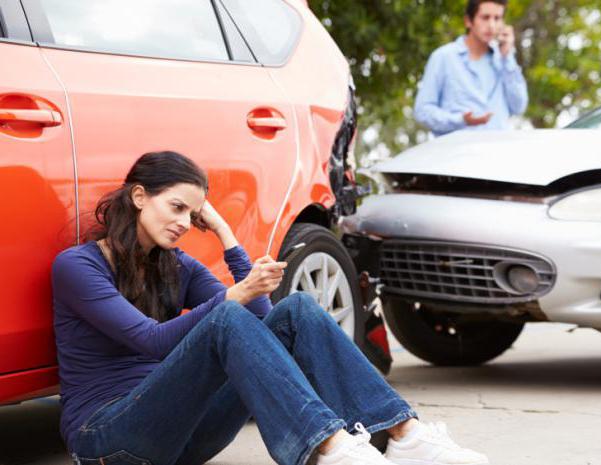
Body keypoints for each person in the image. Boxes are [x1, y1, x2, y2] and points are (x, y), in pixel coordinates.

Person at [52, 151, 490, 465]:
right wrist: (236, 294)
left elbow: (263, 325)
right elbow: (149, 341)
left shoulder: (174, 265)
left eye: (194, 214)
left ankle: (404, 434)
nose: (185, 223)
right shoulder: (78, 266)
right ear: (139, 196)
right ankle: (330, 446)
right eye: (176, 207)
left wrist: (226, 236)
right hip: (109, 440)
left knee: (296, 310)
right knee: (226, 314)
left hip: (181, 438)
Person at [414, 0, 528, 136]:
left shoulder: (503, 60)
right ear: (468, 21)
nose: (492, 25)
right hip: (456, 153)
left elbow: (519, 107)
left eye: (497, 18)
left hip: (496, 152)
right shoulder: (444, 57)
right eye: (485, 18)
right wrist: (461, 120)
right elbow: (422, 110)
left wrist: (507, 57)